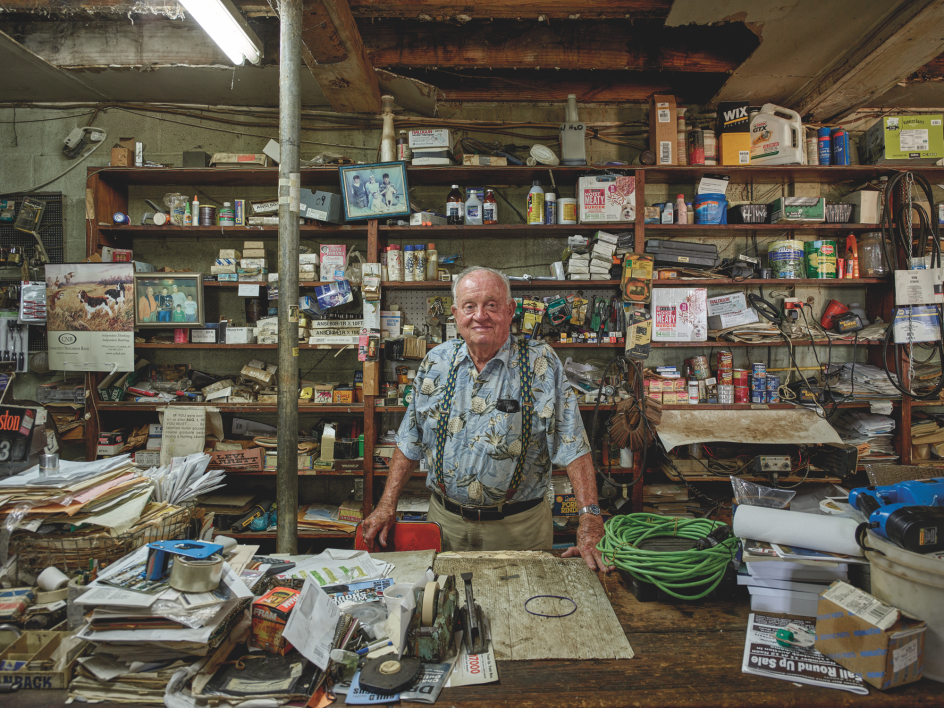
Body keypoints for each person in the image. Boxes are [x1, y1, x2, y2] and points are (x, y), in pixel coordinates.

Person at [361, 266, 611, 571]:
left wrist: (590, 517)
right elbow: (410, 438)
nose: (480, 315)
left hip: (520, 529)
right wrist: (387, 504)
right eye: (470, 306)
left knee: (525, 613)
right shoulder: (436, 361)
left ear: (509, 311)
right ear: (455, 314)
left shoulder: (540, 362)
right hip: (444, 524)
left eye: (491, 305)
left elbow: (572, 443)